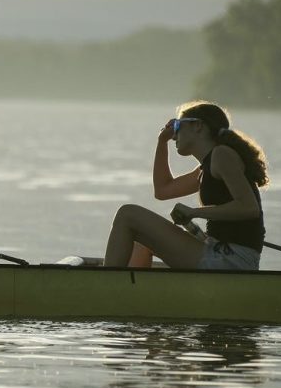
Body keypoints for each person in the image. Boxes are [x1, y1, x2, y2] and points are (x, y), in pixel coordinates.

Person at [103, 100, 268, 269]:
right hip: (218, 250)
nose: (173, 135)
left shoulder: (222, 155)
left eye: (176, 126)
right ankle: (125, 289)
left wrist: (194, 212)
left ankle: (107, 284)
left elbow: (249, 208)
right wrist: (162, 142)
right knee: (140, 241)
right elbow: (162, 190)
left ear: (198, 126)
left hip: (232, 259)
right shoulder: (205, 167)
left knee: (127, 214)